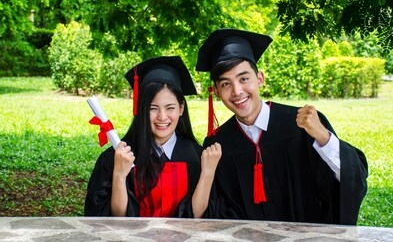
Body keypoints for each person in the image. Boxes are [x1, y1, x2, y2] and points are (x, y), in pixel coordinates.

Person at [195, 28, 368, 225]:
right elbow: (215, 213)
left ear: (260, 78)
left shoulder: (302, 126)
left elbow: (351, 181)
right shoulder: (217, 144)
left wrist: (323, 137)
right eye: (226, 84)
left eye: (244, 79)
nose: (237, 91)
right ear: (216, 92)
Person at [85, 56, 221, 217]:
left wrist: (207, 172)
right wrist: (119, 174)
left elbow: (199, 218)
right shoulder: (119, 157)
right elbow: (115, 220)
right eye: (153, 108)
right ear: (141, 109)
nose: (162, 117)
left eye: (170, 108)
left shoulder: (197, 157)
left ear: (181, 108)